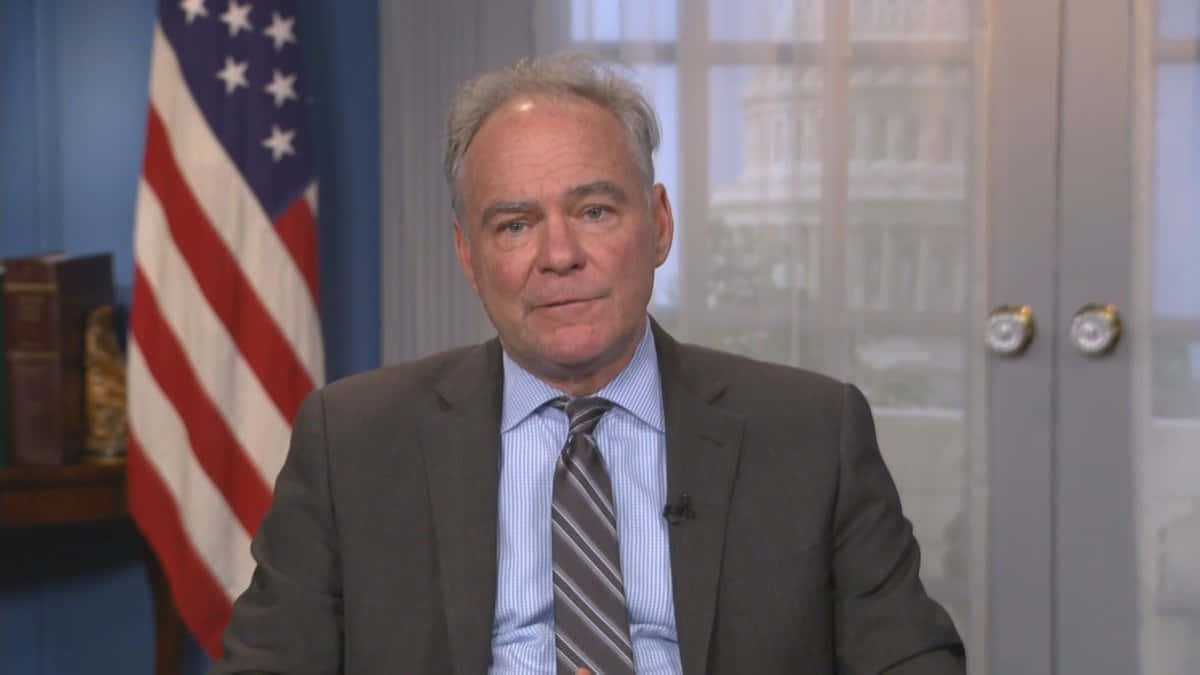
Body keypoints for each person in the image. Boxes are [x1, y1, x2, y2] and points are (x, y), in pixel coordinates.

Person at [213, 52, 964, 674]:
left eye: (595, 210)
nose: (560, 255)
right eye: (514, 224)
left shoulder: (810, 433)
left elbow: (913, 661)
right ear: (468, 257)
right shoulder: (352, 443)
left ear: (659, 225)